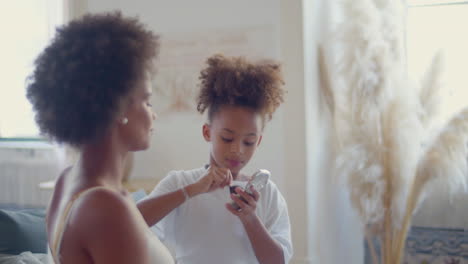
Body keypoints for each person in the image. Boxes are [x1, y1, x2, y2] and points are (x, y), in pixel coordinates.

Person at [26, 12, 177, 264]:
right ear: (118, 108)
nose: (154, 114)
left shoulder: (68, 181)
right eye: (147, 101)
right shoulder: (106, 207)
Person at [138, 54, 293, 264]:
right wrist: (190, 191)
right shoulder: (181, 183)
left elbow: (278, 261)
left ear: (258, 141)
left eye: (248, 141)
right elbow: (132, 222)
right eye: (227, 138)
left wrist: (250, 219)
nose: (237, 150)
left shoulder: (267, 194)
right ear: (207, 132)